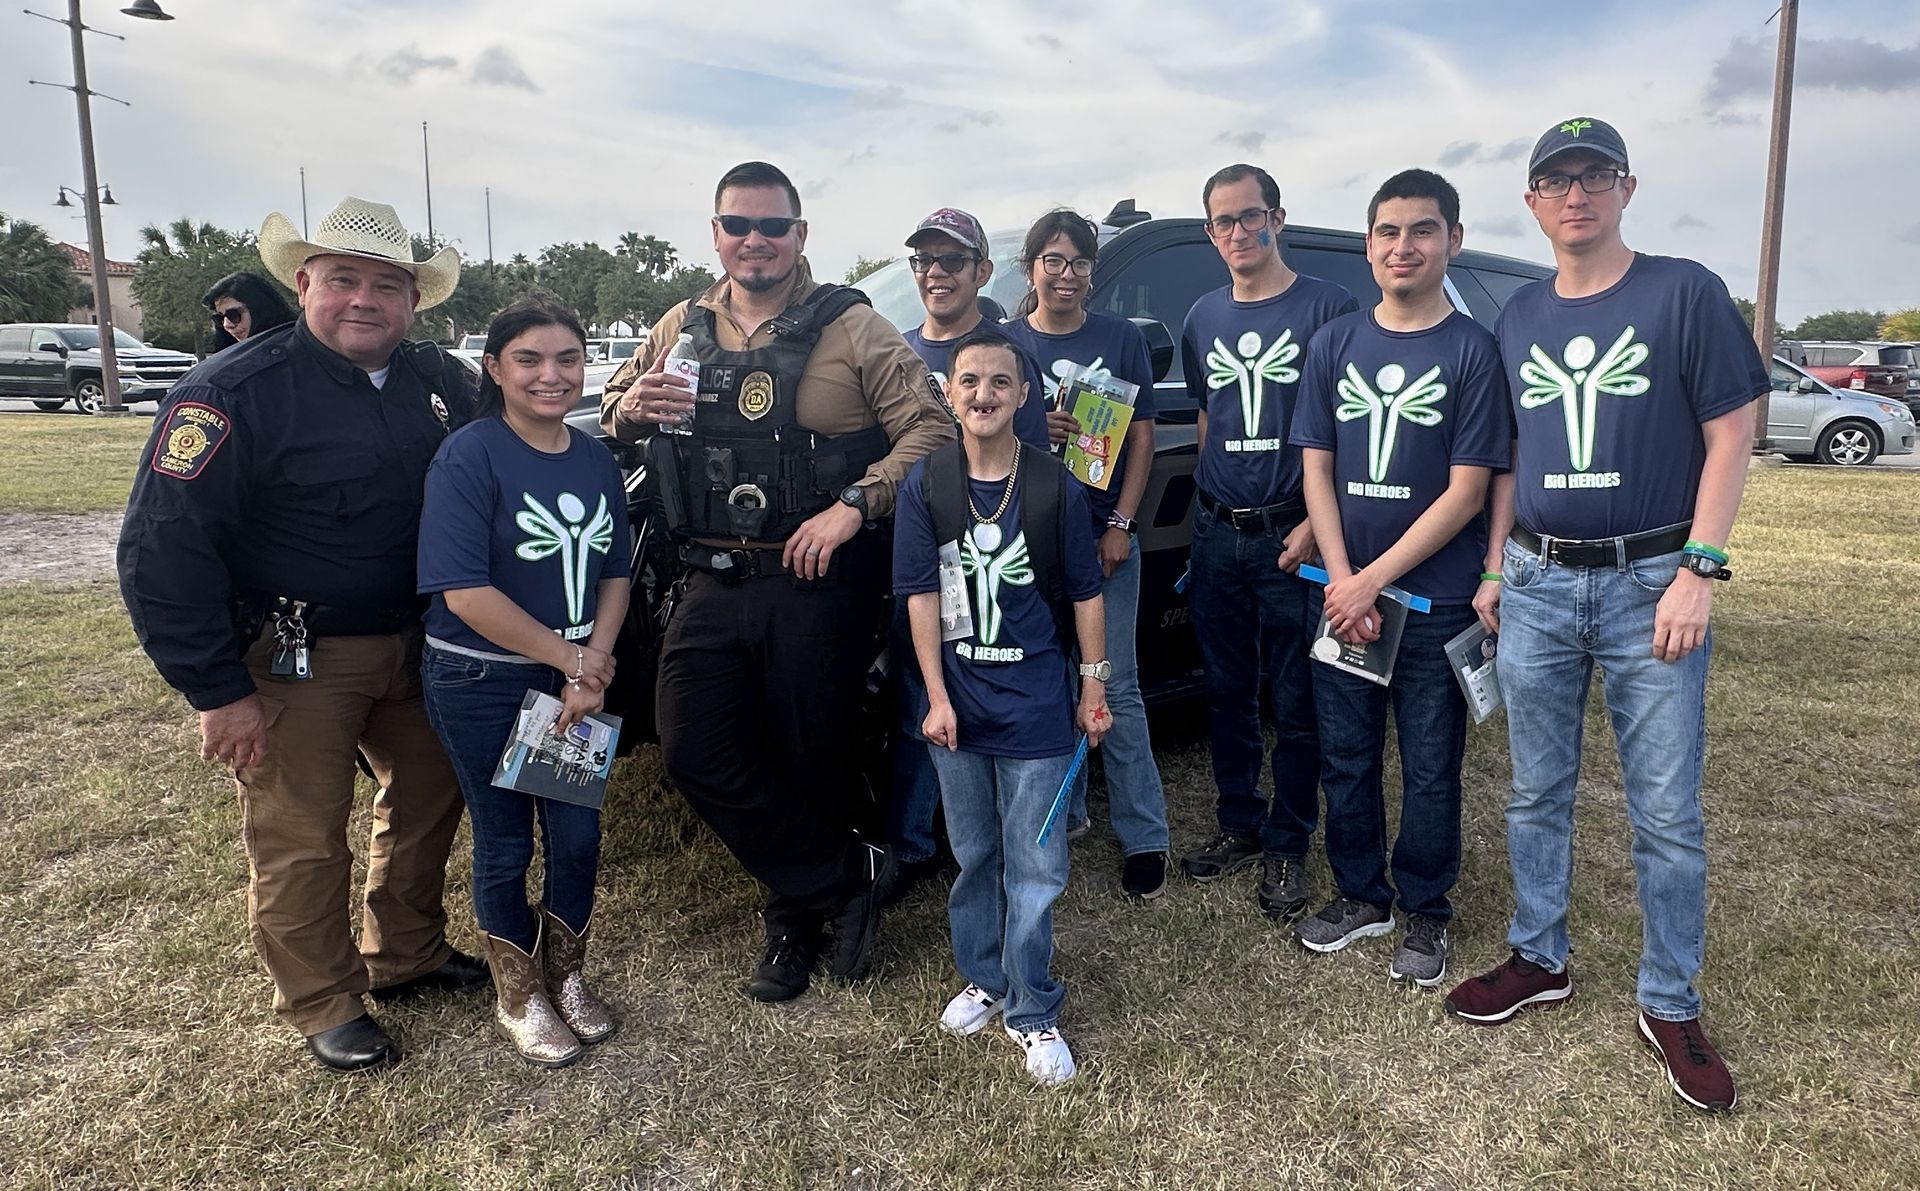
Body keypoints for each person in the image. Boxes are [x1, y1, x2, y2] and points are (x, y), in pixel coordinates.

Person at [117, 196, 485, 1074]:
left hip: (422, 642)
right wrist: (217, 690)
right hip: (297, 655)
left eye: (387, 286)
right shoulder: (229, 392)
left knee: (431, 800)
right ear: (305, 282)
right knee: (302, 832)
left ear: (413, 301)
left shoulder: (443, 383)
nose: (365, 301)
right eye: (345, 280)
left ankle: (406, 952)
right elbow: (163, 549)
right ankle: (322, 998)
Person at [1443, 118, 1763, 1115]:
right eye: (1554, 180)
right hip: (1539, 580)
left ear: (1625, 188)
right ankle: (1540, 957)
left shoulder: (1684, 292)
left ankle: (1669, 1002)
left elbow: (1731, 430)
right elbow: (1509, 456)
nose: (1574, 195)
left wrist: (1700, 569)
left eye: (1592, 176)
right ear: (1533, 202)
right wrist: (1497, 568)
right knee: (1536, 790)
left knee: (1666, 810)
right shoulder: (1521, 316)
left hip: (1649, 580)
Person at [600, 162, 953, 1003]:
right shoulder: (682, 323)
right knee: (692, 748)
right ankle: (845, 878)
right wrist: (632, 406)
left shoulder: (854, 327)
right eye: (738, 225)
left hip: (816, 576)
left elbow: (933, 433)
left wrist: (853, 505)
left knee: (808, 752)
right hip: (710, 574)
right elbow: (613, 409)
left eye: (772, 226)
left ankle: (790, 922)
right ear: (716, 233)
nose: (754, 240)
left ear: (799, 235)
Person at [1289, 169, 1511, 986]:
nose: (1403, 245)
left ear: (1451, 239)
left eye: (1422, 230)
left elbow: (1468, 489)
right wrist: (1344, 580)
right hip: (1344, 592)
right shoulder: (1336, 344)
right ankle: (1360, 893)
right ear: (1369, 245)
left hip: (1434, 600)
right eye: (1388, 231)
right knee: (1344, 754)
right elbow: (1317, 469)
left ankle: (1425, 907)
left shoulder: (1471, 351)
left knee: (1429, 762)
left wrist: (1367, 579)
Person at [416, 294, 631, 1068]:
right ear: (494, 368)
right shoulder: (469, 455)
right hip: (483, 677)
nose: (552, 375)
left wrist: (593, 664)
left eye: (567, 359)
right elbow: (464, 591)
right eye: (530, 360)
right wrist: (574, 661)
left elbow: (615, 569)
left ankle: (566, 974)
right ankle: (520, 993)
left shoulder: (594, 455)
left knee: (578, 835)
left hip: (575, 681)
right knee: (504, 837)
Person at [893, 327, 1109, 1086]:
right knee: (975, 854)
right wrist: (937, 695)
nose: (983, 394)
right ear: (948, 392)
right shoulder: (928, 484)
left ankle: (1033, 1006)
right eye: (969, 381)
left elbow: (1086, 593)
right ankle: (986, 976)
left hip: (1038, 710)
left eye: (999, 382)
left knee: (1036, 865)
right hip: (959, 712)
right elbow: (920, 596)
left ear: (1024, 396)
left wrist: (1094, 683)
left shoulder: (1054, 486)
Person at [1176, 164, 1359, 919]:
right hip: (1219, 531)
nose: (1239, 234)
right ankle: (1239, 823)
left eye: (1251, 217)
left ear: (1277, 218)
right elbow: (1207, 415)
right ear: (1210, 232)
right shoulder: (1202, 317)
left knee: (1295, 697)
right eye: (1223, 222)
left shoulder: (1330, 307)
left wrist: (1318, 523)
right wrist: (1203, 514)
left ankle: (1289, 842)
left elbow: (1354, 428)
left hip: (1297, 536)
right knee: (1224, 689)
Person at [1003, 209, 1170, 901]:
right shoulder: (1005, 343)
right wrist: (1028, 424)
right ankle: (1065, 815)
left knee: (1116, 685)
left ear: (1091, 271)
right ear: (1032, 267)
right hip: (1029, 545)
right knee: (1051, 682)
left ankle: (1145, 835)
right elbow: (979, 437)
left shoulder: (1121, 339)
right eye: (1053, 260)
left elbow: (1142, 440)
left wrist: (1122, 524)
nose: (1065, 274)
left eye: (1077, 262)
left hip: (1102, 541)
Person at [886, 207, 1049, 907]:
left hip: (992, 568)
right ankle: (915, 841)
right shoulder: (892, 349)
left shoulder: (1005, 355)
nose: (936, 273)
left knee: (981, 696)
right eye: (924, 260)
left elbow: (1037, 465)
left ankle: (984, 844)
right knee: (916, 697)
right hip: (908, 554)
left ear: (982, 272)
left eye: (952, 261)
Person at [203, 271, 297, 352]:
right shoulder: (229, 361)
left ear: (260, 309)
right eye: (219, 318)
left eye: (234, 315)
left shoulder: (300, 349)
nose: (226, 325)